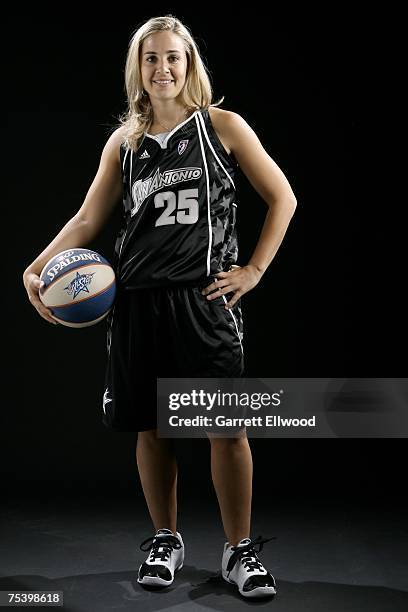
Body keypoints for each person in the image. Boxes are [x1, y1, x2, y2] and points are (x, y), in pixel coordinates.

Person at [23, 15, 297, 600]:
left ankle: (239, 550)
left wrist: (253, 270)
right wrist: (37, 265)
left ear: (190, 64)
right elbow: (88, 219)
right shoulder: (123, 144)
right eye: (151, 58)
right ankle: (165, 539)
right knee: (153, 428)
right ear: (138, 69)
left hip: (203, 301)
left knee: (225, 427)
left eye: (174, 57)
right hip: (138, 303)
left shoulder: (221, 128)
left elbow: (283, 197)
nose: (163, 68)